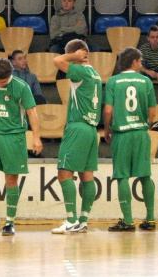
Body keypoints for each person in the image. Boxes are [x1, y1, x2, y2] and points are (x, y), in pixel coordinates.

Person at [0, 58, 43, 236]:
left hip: (13, 137)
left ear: (10, 75)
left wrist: (36, 137)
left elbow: (31, 113)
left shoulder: (21, 87)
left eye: (3, 81)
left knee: (11, 180)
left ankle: (10, 221)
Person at [51, 40, 102, 234]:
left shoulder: (80, 71)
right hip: (91, 129)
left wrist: (73, 56)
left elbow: (57, 61)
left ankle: (71, 219)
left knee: (64, 173)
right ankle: (83, 220)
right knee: (87, 175)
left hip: (77, 126)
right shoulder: (95, 74)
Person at [104, 47, 157, 232]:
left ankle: (128, 220)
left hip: (122, 133)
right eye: (140, 60)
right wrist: (146, 125)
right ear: (134, 61)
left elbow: (108, 110)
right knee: (145, 176)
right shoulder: (146, 81)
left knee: (122, 176)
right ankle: (150, 219)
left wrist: (106, 128)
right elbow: (152, 111)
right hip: (141, 133)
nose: (141, 64)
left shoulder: (113, 81)